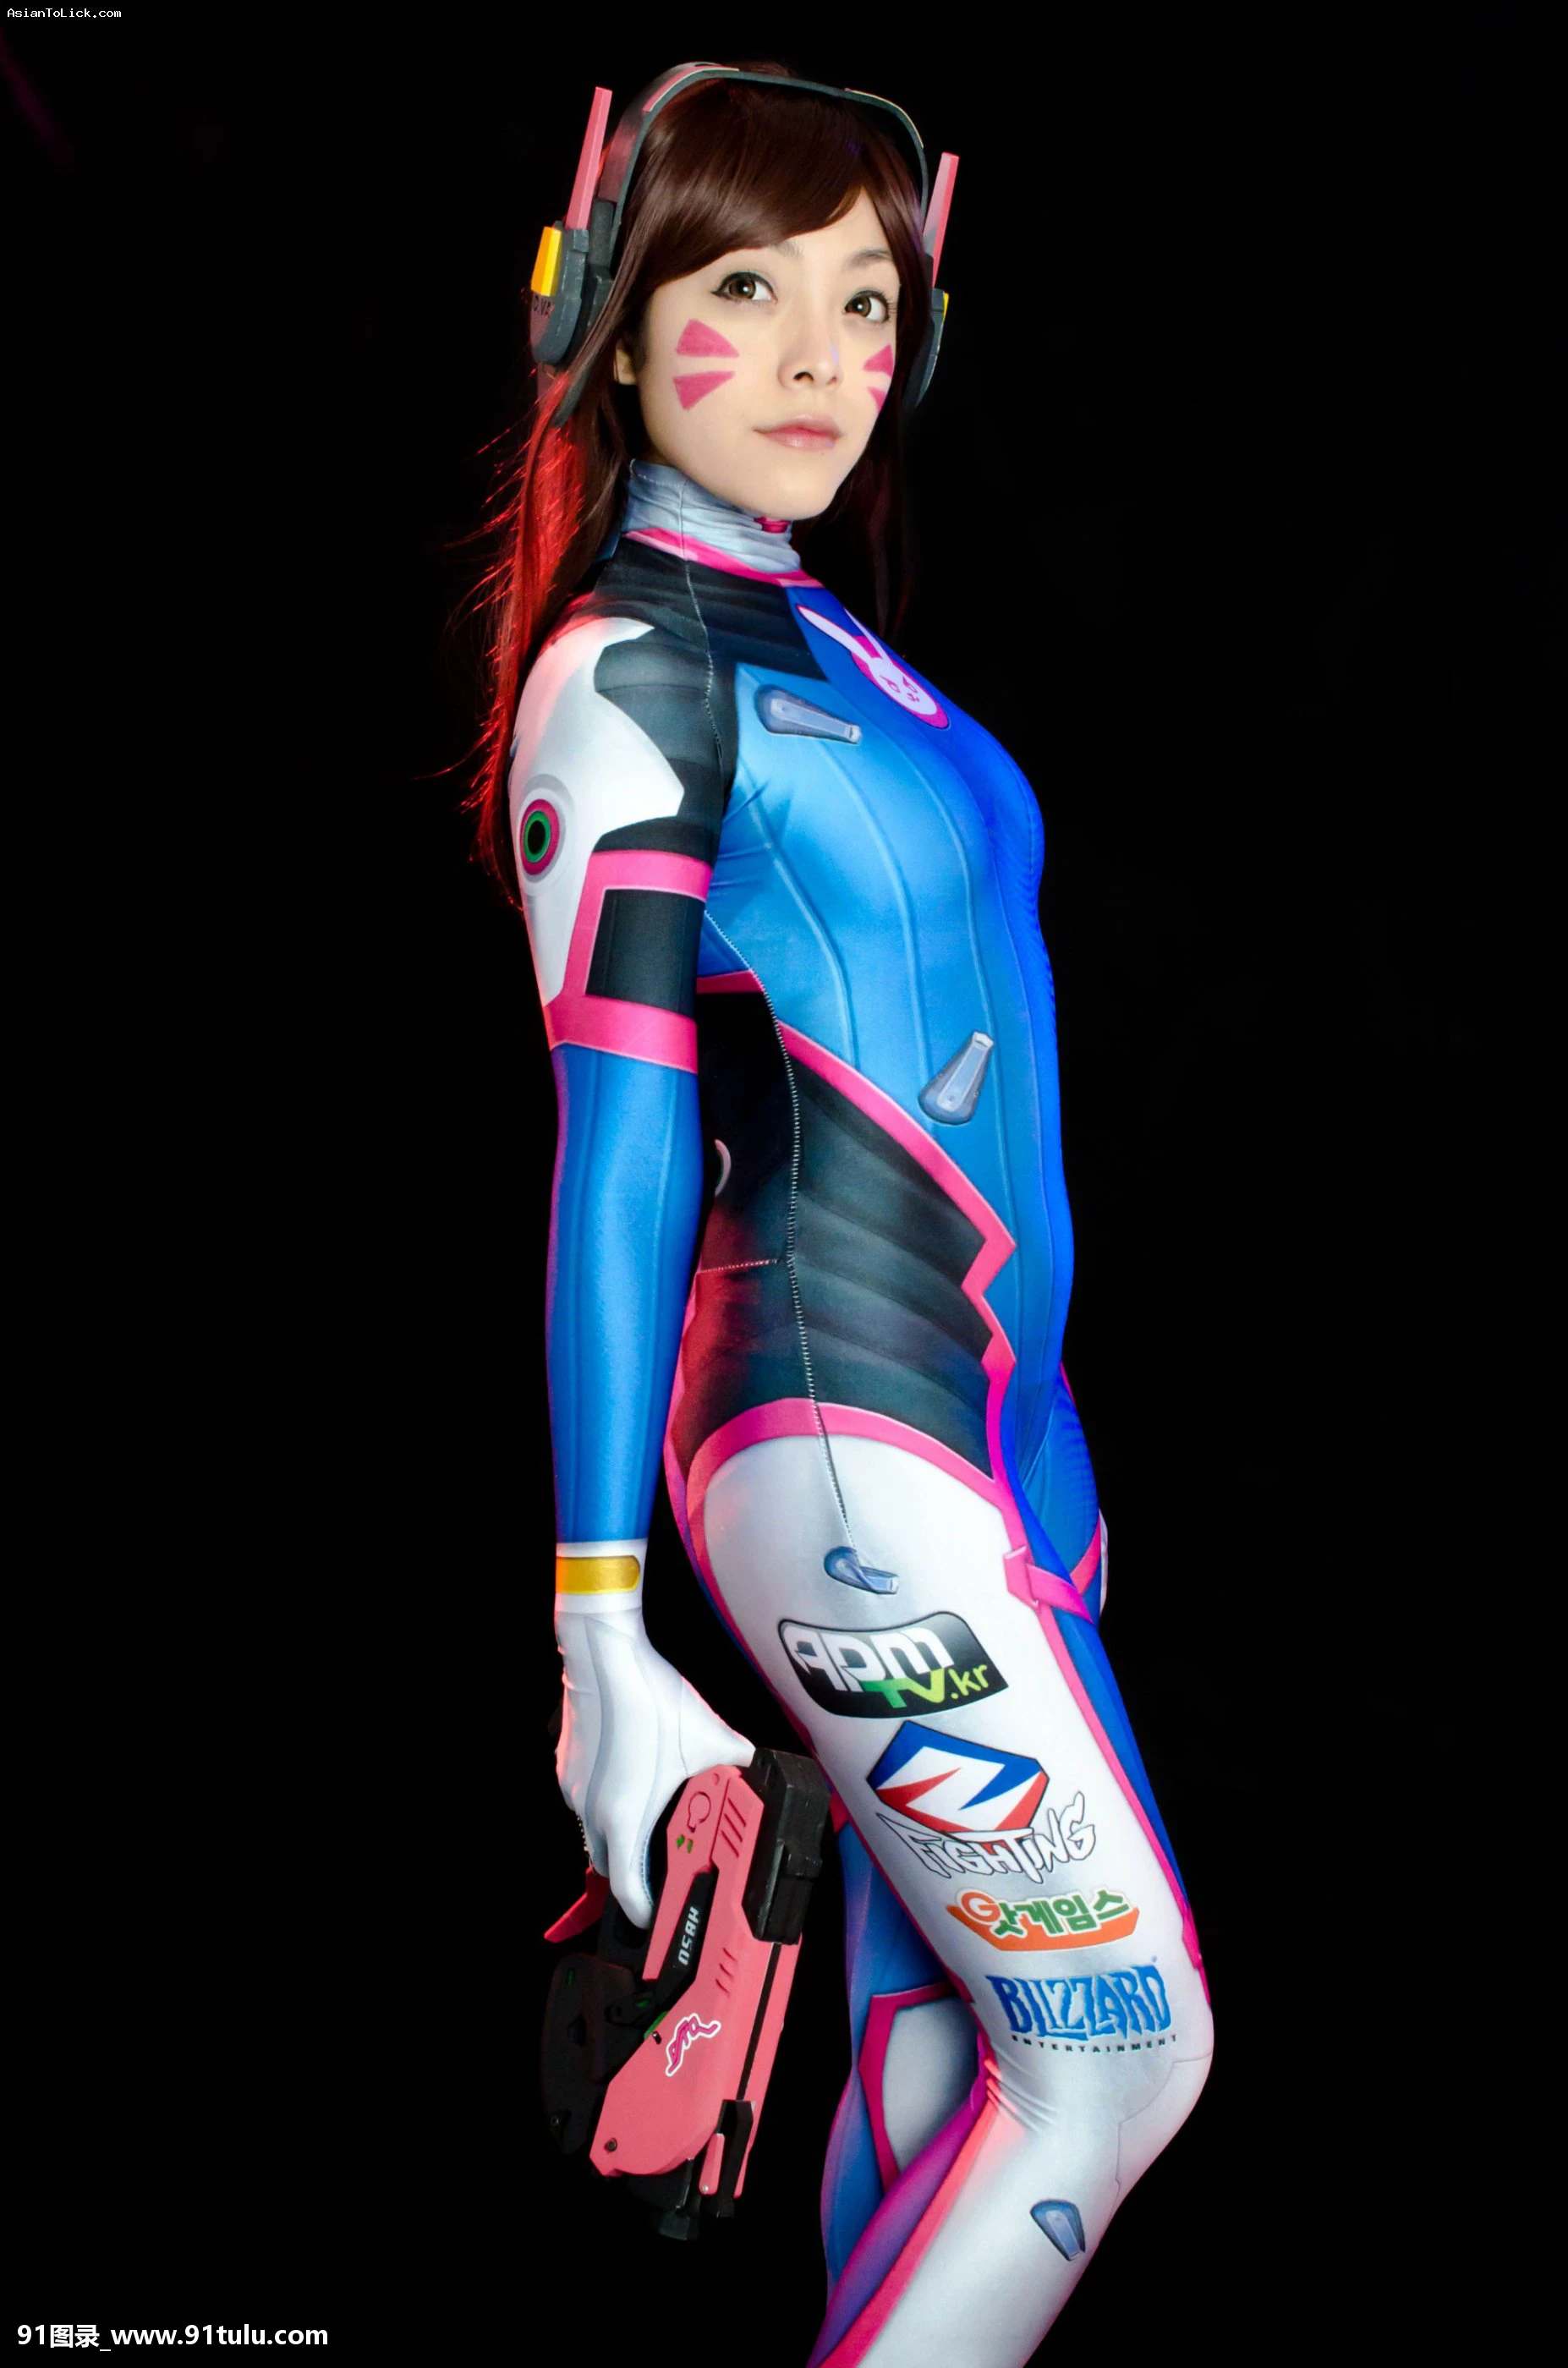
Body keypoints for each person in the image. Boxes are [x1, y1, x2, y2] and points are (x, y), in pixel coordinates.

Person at [473, 61, 1213, 2367]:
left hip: (987, 1448)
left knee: (934, 2065)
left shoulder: (826, 643)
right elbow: (615, 1150)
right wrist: (599, 1642)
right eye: (746, 290)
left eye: (868, 301)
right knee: (1111, 2057)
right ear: (606, 320)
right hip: (844, 1446)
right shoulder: (626, 680)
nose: (817, 360)